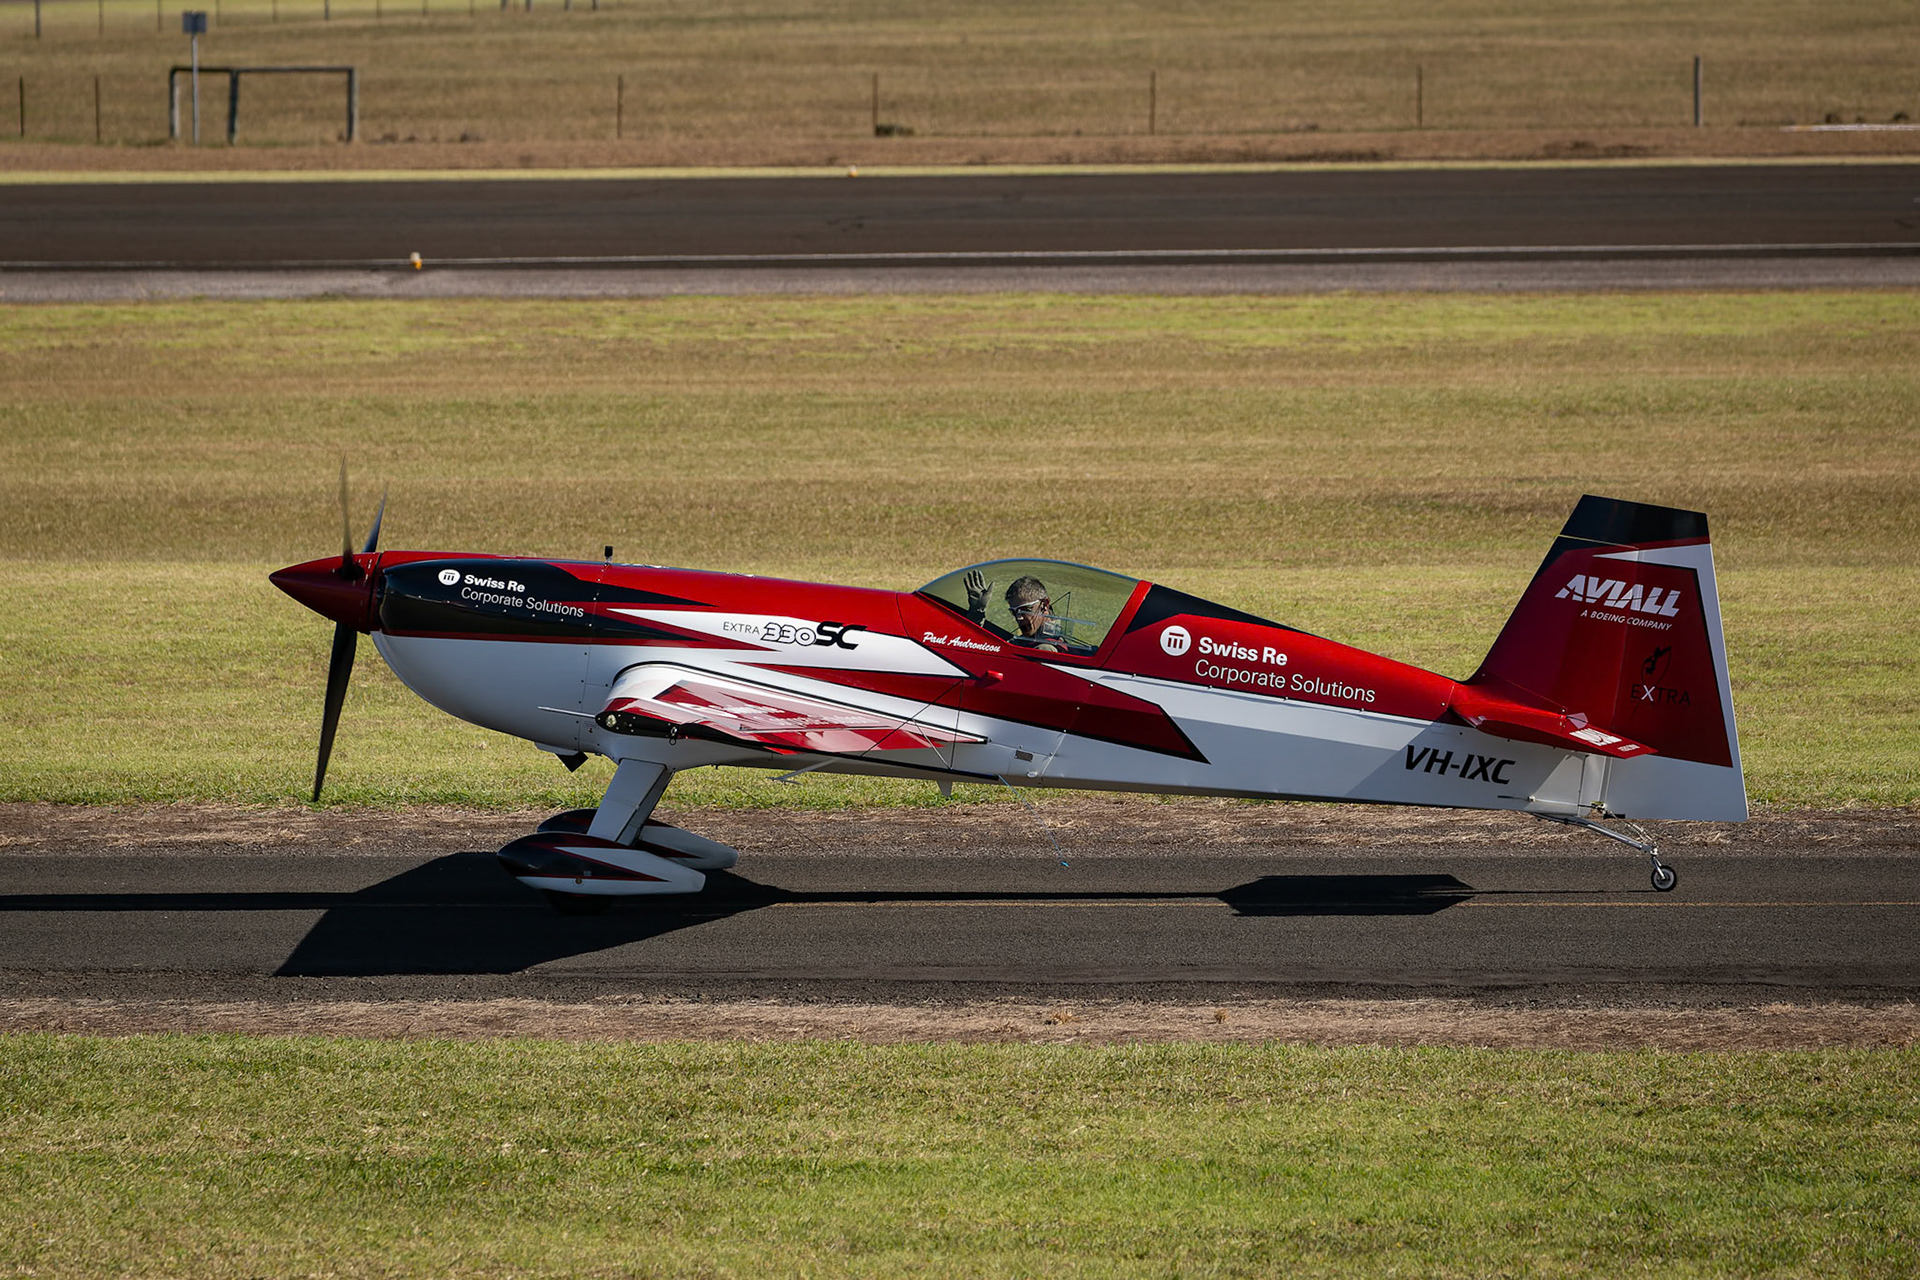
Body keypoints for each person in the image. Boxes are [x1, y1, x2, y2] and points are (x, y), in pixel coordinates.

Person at [964, 569, 1064, 652]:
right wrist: (977, 613)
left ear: (1044, 605)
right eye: (1014, 612)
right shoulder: (1027, 641)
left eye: (1025, 609)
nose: (1018, 617)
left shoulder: (1044, 649)